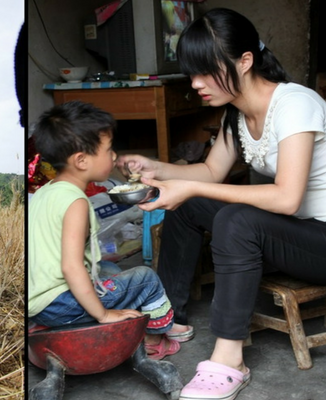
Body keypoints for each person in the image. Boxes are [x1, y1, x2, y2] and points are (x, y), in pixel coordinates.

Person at [116, 8, 326, 400]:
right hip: (292, 233)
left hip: (320, 240)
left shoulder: (297, 104)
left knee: (236, 219)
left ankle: (229, 359)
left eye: (204, 72)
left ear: (245, 61)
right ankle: (165, 318)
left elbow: (286, 196)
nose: (195, 84)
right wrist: (158, 168)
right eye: (191, 73)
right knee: (189, 204)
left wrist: (190, 188)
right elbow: (211, 172)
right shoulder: (237, 114)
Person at [28, 100, 185, 360]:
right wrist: (103, 314)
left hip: (38, 301)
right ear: (81, 160)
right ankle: (157, 337)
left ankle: (64, 321)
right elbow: (70, 267)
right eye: (109, 149)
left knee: (110, 269)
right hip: (59, 304)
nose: (114, 156)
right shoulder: (75, 202)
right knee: (145, 278)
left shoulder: (44, 192)